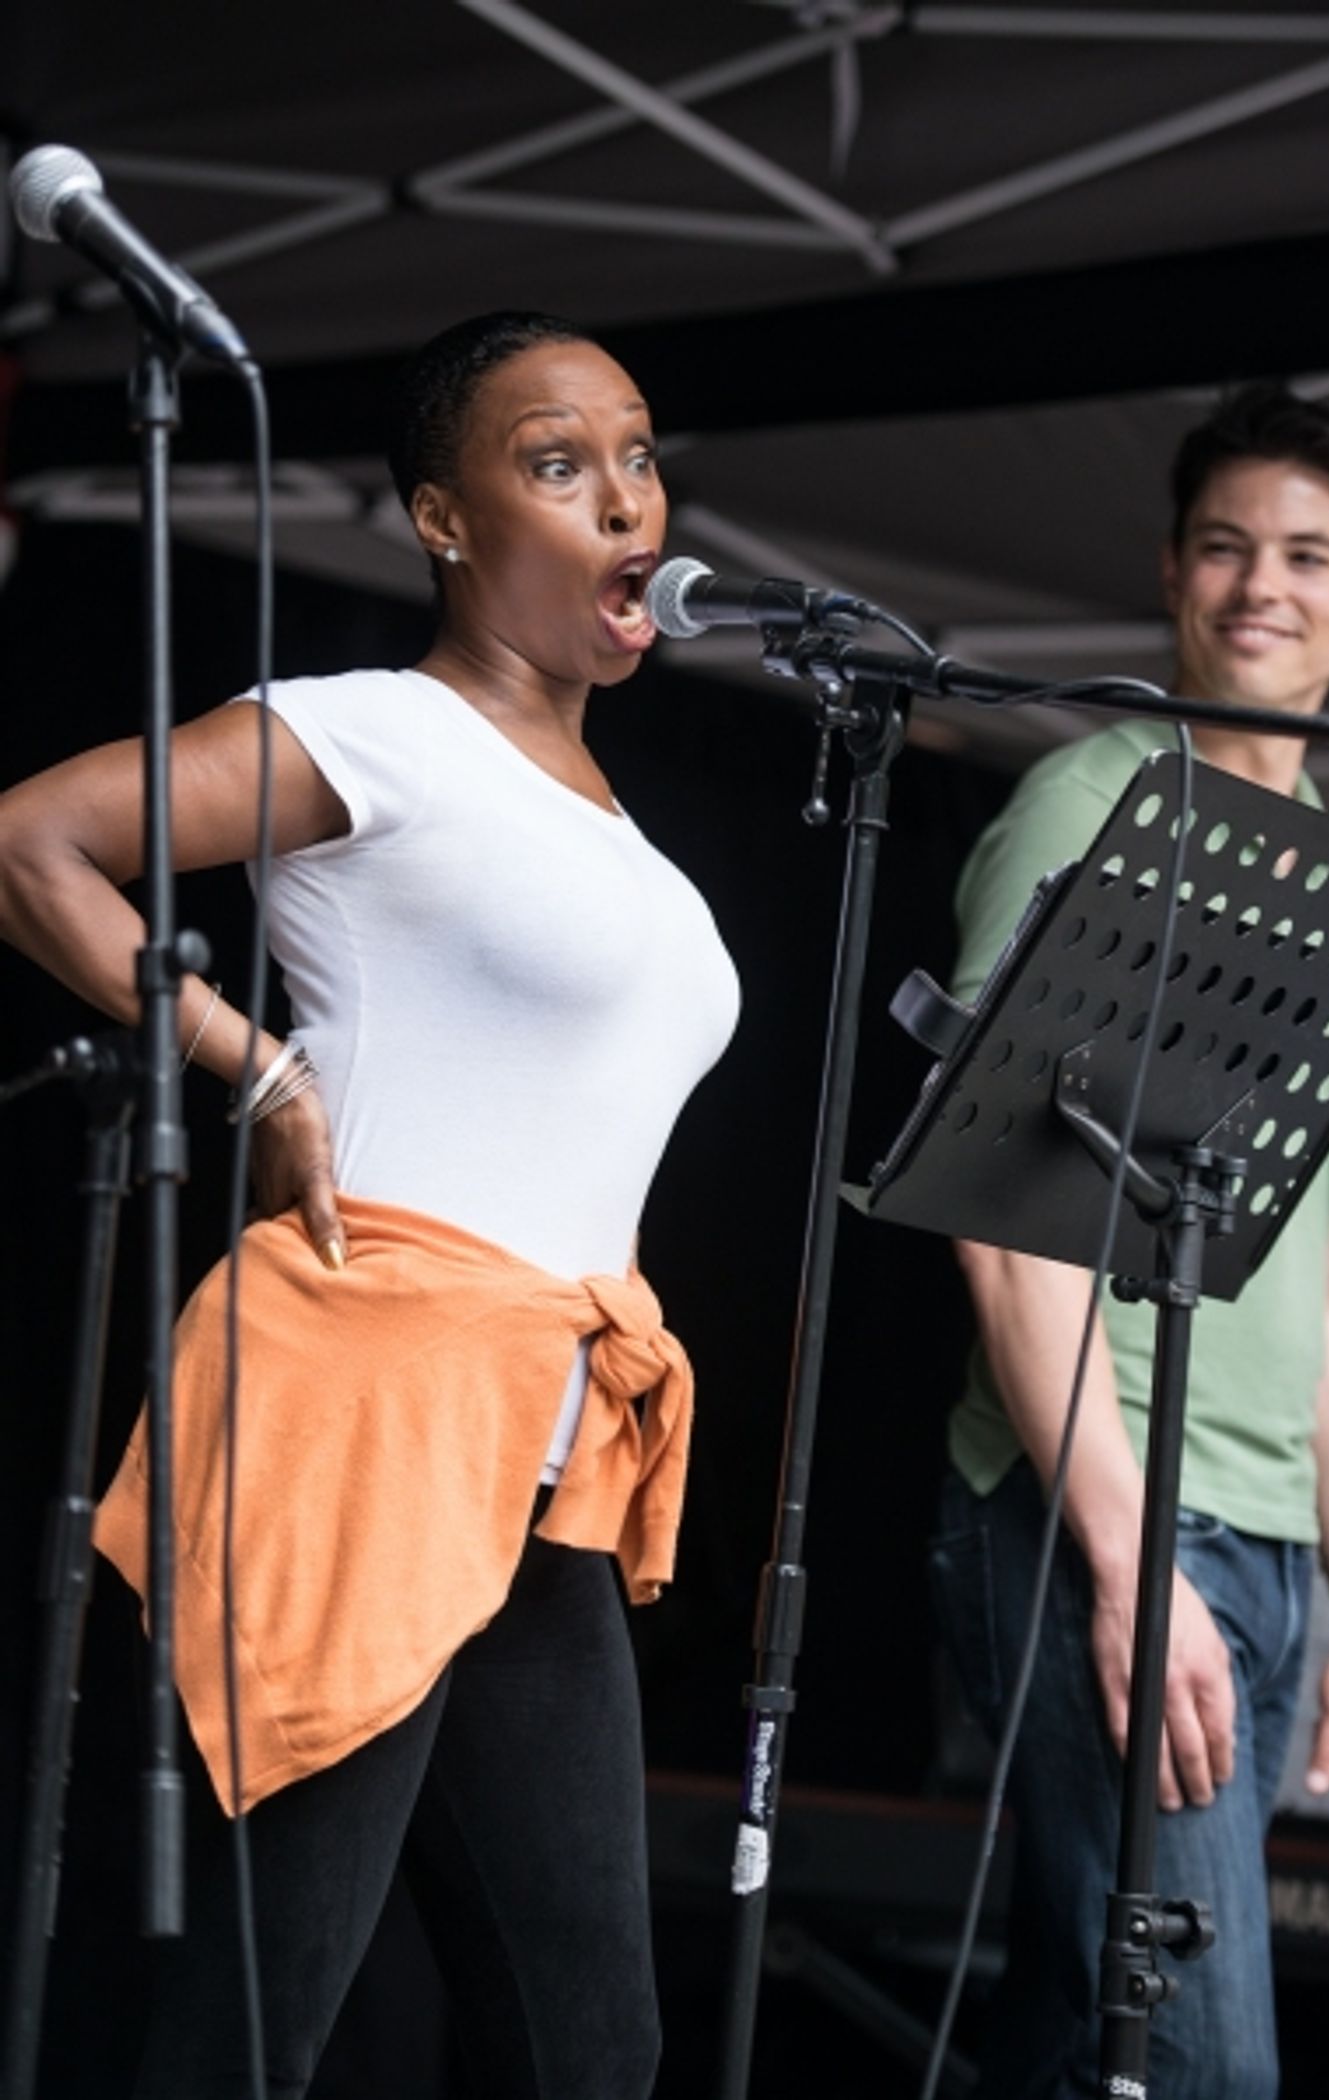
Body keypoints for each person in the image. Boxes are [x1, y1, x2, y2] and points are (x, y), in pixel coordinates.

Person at [0, 310, 740, 2099]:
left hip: (543, 1476)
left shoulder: (625, 837)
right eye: (555, 465)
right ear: (444, 521)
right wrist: (256, 1064)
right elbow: (33, 840)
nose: (622, 501)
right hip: (366, 1420)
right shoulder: (382, 735)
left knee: (594, 2052)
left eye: (636, 458)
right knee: (260, 2019)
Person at [929, 384, 1329, 2098]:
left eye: (1306, 555)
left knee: (1086, 2035)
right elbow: (999, 1220)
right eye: (1224, 547)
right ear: (1171, 576)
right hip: (1111, 1512)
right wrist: (1131, 1566)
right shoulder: (1098, 797)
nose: (1259, 586)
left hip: (1271, 1546)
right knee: (1202, 2068)